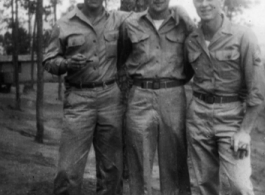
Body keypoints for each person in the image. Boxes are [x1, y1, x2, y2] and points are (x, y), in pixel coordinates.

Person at [43, 1, 131, 194]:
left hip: (110, 98)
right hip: (78, 99)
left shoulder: (120, 20)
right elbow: (48, 60)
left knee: (112, 171)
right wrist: (66, 63)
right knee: (68, 171)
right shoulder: (64, 23)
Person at [185, 0, 265, 194]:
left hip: (231, 118)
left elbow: (257, 89)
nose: (204, 4)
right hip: (198, 117)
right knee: (204, 184)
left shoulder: (243, 36)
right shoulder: (191, 39)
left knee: (239, 185)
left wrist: (245, 130)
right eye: (198, 0)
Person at [118, 0, 195, 194]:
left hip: (173, 97)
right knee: (139, 162)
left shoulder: (183, 24)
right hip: (140, 97)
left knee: (174, 163)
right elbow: (122, 57)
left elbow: (194, 56)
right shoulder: (130, 24)